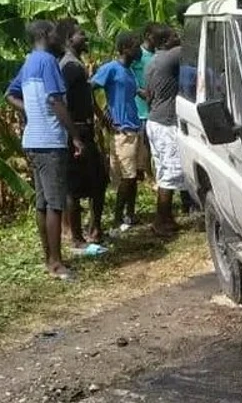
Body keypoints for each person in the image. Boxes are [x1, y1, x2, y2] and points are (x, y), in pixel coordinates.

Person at [6, 20, 84, 281]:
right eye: (53, 32)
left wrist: (31, 111)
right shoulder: (48, 61)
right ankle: (56, 263)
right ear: (43, 35)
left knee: (42, 203)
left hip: (32, 141)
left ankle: (48, 258)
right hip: (50, 141)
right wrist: (75, 136)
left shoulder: (28, 63)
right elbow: (56, 101)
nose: (57, 36)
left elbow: (10, 94)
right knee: (55, 204)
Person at [56, 17, 109, 248]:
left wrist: (99, 116)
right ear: (69, 39)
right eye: (80, 34)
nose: (85, 37)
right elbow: (61, 101)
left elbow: (85, 97)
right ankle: (77, 236)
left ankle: (93, 229)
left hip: (84, 128)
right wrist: (74, 134)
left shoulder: (76, 64)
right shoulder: (69, 66)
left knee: (98, 180)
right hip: (76, 131)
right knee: (75, 187)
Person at [91, 32, 144, 232]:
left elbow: (132, 93)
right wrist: (103, 116)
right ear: (125, 49)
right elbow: (90, 88)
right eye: (136, 46)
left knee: (135, 176)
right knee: (127, 177)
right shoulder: (111, 69)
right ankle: (117, 217)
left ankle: (130, 214)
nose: (139, 50)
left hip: (134, 128)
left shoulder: (129, 71)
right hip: (122, 131)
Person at [144, 27, 186, 235]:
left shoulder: (153, 60)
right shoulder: (172, 56)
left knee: (163, 170)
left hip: (155, 120)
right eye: (174, 36)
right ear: (166, 41)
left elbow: (149, 94)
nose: (178, 38)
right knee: (171, 172)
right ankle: (161, 220)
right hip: (166, 122)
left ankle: (166, 218)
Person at [133, 23, 167, 184]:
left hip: (157, 104)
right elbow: (128, 75)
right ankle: (148, 175)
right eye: (156, 37)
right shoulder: (137, 55)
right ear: (148, 36)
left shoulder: (159, 55)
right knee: (145, 142)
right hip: (142, 106)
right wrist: (139, 92)